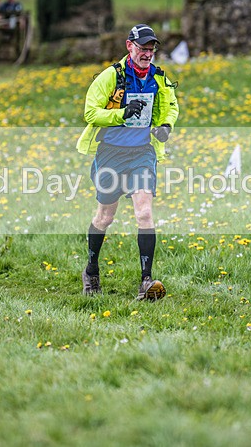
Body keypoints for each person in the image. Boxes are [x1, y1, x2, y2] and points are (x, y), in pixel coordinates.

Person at [76, 24, 180, 300]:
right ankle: (91, 270)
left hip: (142, 154)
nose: (147, 54)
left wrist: (166, 125)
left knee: (144, 213)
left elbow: (170, 105)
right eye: (142, 48)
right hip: (111, 153)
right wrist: (121, 114)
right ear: (129, 46)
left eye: (151, 49)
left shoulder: (159, 78)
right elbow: (90, 113)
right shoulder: (112, 76)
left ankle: (146, 282)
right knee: (105, 216)